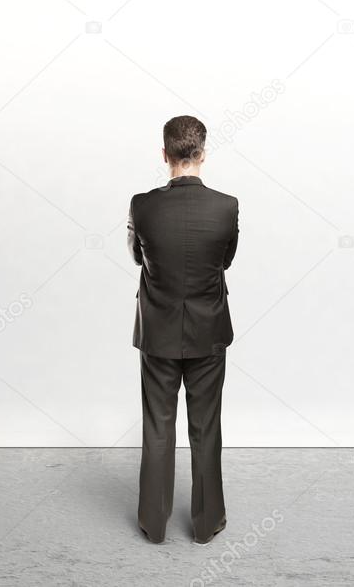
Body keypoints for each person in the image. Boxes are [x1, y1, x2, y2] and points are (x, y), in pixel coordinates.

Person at [127, 115, 239, 545]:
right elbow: (225, 260)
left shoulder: (142, 204)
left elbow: (138, 257)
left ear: (164, 155)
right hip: (208, 331)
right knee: (206, 427)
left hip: (157, 331)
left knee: (158, 425)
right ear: (203, 154)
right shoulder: (226, 206)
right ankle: (207, 523)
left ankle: (153, 525)